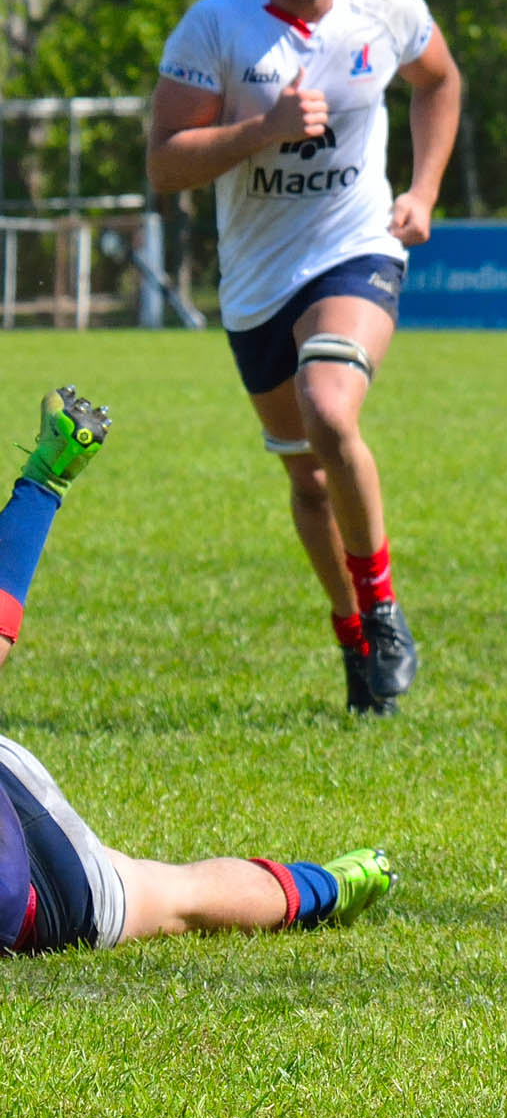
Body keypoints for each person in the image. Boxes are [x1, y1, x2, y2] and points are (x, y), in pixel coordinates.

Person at [147, 0, 463, 714]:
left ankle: (384, 609)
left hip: (356, 247)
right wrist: (263, 128)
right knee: (308, 480)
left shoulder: (386, 10)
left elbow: (439, 80)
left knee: (330, 407)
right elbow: (165, 163)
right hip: (256, 280)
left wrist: (424, 190)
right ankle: (352, 630)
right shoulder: (217, 26)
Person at [1, 388, 395, 957]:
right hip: (39, 896)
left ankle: (329, 887)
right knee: (172, 894)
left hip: (30, 895)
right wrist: (42, 483)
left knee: (173, 895)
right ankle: (328, 887)